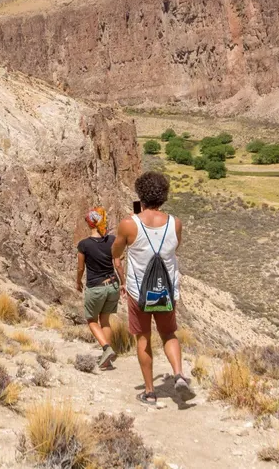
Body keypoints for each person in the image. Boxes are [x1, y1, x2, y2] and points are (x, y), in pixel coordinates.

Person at [112, 171, 193, 407]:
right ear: (164, 196)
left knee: (143, 338)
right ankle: (178, 374)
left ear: (140, 194)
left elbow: (116, 254)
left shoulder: (129, 224)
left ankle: (149, 392)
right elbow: (175, 249)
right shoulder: (175, 223)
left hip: (139, 294)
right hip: (166, 291)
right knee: (169, 334)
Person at [76, 207, 124, 370]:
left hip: (95, 287)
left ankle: (106, 348)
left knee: (91, 320)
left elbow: (80, 268)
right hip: (112, 285)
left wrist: (78, 282)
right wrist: (123, 283)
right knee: (105, 321)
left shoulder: (83, 245)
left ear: (90, 224)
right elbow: (117, 263)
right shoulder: (111, 240)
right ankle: (107, 360)